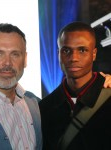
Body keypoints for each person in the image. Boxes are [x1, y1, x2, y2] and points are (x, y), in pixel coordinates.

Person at [39, 22, 111, 150]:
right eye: (66, 50)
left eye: (82, 50)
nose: (74, 58)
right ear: (58, 54)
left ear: (93, 54)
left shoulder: (108, 93)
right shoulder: (45, 107)